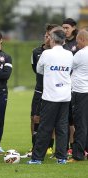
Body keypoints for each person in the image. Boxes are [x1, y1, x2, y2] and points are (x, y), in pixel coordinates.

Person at [28, 28, 73, 164]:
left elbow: (39, 69)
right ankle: (62, 157)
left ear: (52, 40)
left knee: (45, 127)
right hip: (65, 96)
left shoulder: (46, 53)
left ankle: (37, 158)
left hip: (50, 96)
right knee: (62, 127)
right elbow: (70, 70)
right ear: (64, 41)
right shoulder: (69, 54)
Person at [23, 24, 59, 158]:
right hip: (39, 89)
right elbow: (36, 69)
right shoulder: (36, 52)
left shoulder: (59, 52)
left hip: (53, 90)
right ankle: (35, 146)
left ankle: (49, 146)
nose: (47, 38)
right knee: (34, 118)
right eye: (46, 35)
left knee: (52, 120)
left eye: (50, 36)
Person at [68, 29, 88, 162]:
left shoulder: (80, 54)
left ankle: (78, 155)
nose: (77, 45)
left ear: (82, 40)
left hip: (80, 92)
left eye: (77, 42)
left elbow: (68, 68)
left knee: (80, 124)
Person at [62, 18, 78, 156]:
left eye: (67, 27)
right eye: (63, 28)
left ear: (74, 27)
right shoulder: (61, 44)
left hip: (76, 86)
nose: (65, 30)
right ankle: (64, 147)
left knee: (73, 120)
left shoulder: (77, 44)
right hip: (62, 86)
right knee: (64, 119)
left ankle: (75, 146)